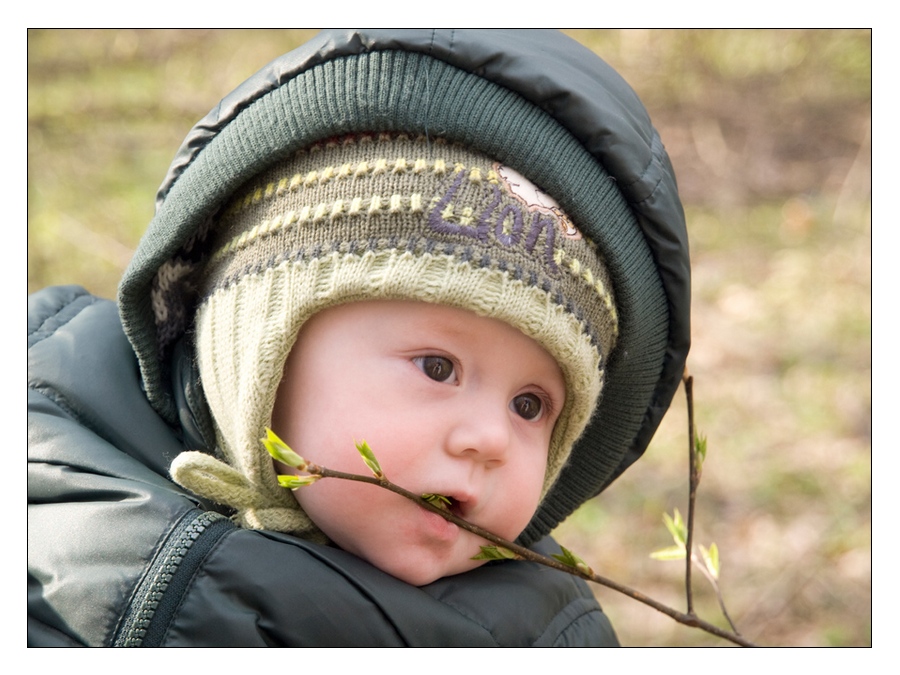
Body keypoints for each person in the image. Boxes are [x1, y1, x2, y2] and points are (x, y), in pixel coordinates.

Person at [28, 29, 690, 647]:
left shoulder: (541, 632)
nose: (489, 439)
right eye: (438, 365)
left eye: (530, 405)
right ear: (259, 347)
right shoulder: (50, 497)